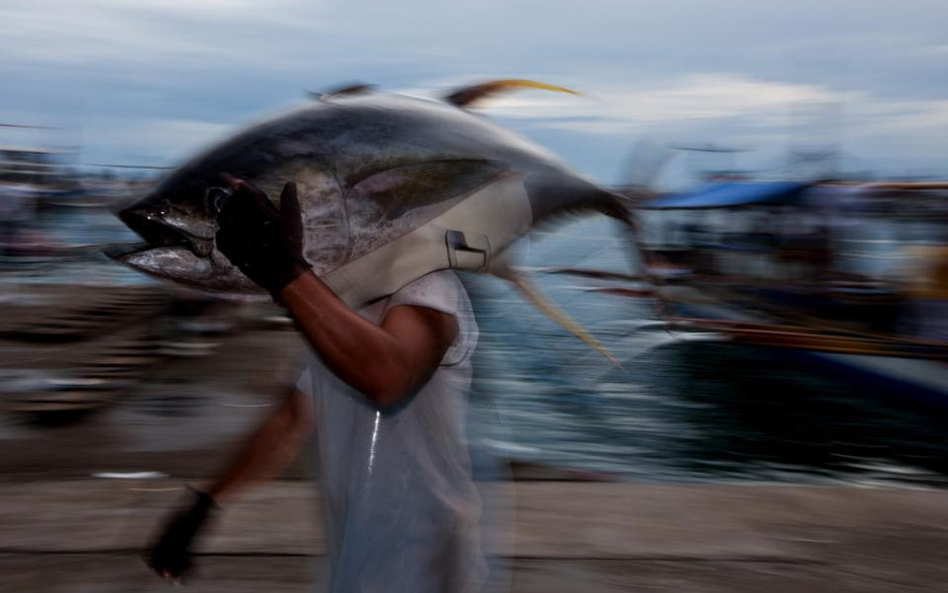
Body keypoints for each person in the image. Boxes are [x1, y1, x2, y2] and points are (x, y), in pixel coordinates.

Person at [145, 178, 489, 592]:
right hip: (359, 551)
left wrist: (282, 270)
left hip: (428, 555)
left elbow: (389, 376)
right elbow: (293, 417)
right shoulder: (340, 306)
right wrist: (204, 505)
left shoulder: (428, 285)